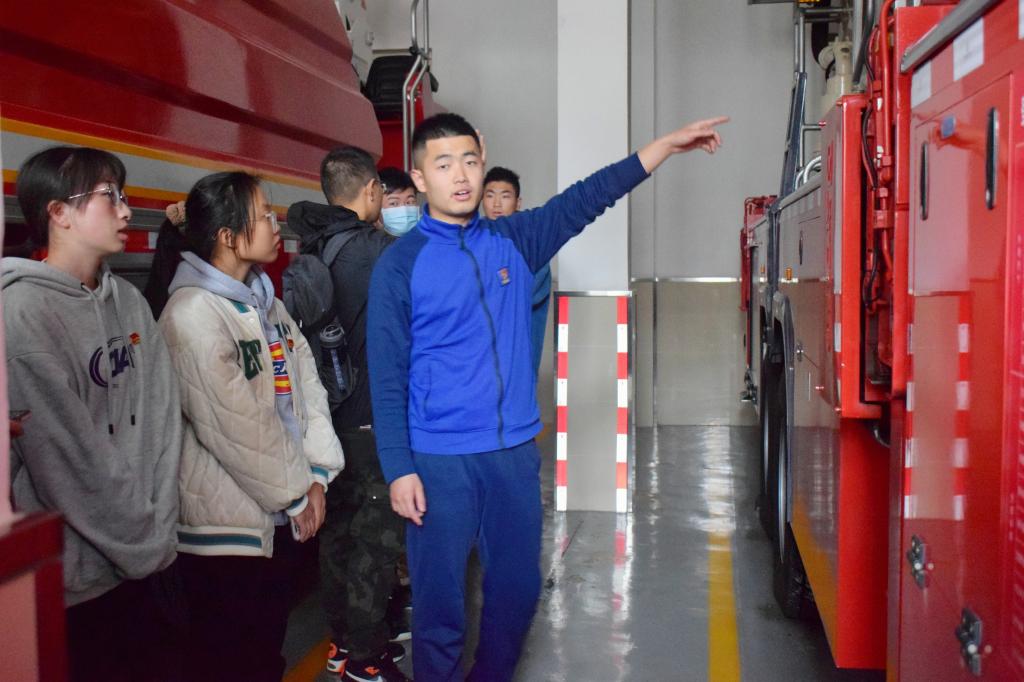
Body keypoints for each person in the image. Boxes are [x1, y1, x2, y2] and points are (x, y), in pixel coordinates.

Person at [367, 112, 726, 681]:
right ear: (419, 177)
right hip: (438, 460)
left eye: (469, 161)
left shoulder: (517, 240)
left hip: (511, 455)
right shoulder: (399, 266)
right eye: (444, 165)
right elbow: (386, 375)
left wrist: (662, 147)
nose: (460, 176)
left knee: (516, 592)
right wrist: (399, 468)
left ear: (483, 159)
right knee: (440, 607)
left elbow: (589, 197)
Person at [149, 171, 344, 682]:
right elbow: (237, 427)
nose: (276, 225)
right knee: (230, 661)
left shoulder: (264, 302)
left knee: (264, 655)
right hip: (225, 534)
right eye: (263, 216)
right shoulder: (192, 315)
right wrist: (298, 493)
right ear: (228, 236)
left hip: (276, 516)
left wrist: (317, 473)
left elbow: (306, 383)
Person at [4, 146, 184, 682]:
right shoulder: (22, 313)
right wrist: (144, 541)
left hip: (148, 553)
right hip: (78, 580)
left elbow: (162, 415)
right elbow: (65, 458)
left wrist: (157, 526)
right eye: (110, 196)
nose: (126, 210)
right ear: (59, 212)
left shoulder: (127, 300)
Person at [288, 147, 410, 682]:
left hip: (327, 419)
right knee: (375, 543)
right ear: (371, 191)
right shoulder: (380, 252)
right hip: (371, 419)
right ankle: (366, 656)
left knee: (337, 536)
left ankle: (341, 641)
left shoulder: (315, 245)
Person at [482, 166, 550, 376]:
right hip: (478, 358)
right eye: (490, 195)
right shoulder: (471, 239)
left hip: (517, 353)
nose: (496, 204)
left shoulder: (531, 242)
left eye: (505, 196)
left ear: (518, 202)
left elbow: (526, 293)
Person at [379, 166, 420, 237]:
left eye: (409, 202)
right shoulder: (367, 241)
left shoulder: (430, 238)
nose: (404, 209)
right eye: (394, 203)